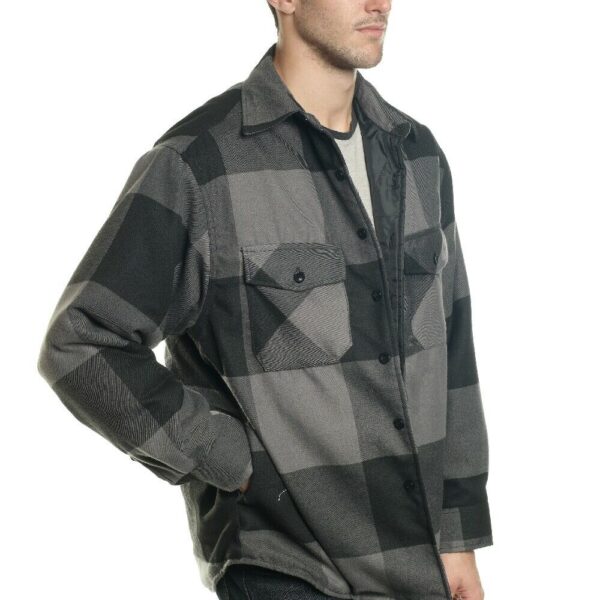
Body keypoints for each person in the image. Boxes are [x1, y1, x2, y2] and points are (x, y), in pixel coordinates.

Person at [37, 1, 493, 599]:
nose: (380, 1)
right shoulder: (199, 164)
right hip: (285, 568)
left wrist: (458, 536)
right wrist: (226, 457)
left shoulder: (417, 154)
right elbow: (82, 340)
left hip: (418, 567)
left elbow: (453, 350)